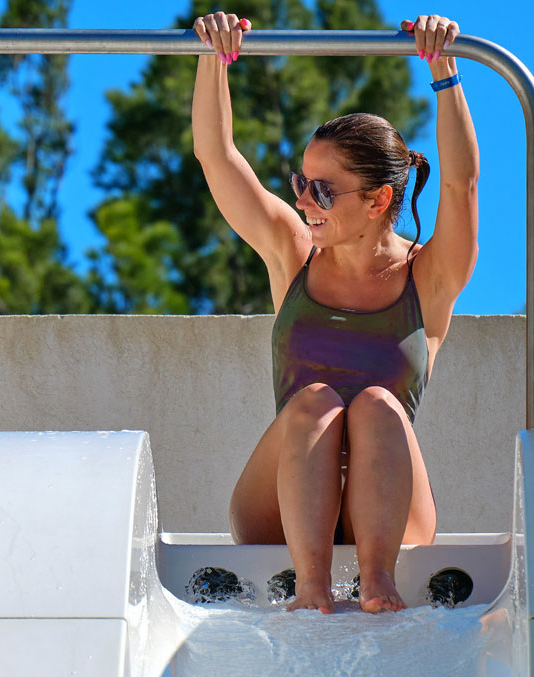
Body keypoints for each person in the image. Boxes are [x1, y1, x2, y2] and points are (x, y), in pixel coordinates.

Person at [191, 12, 478, 613]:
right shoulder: (292, 252)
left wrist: (445, 70)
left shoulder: (428, 277)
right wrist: (213, 57)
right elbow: (217, 158)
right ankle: (312, 587)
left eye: (322, 191)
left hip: (392, 511)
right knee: (317, 400)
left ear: (379, 200)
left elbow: (462, 188)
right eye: (301, 183)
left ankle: (378, 583)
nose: (304, 202)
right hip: (280, 506)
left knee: (377, 404)